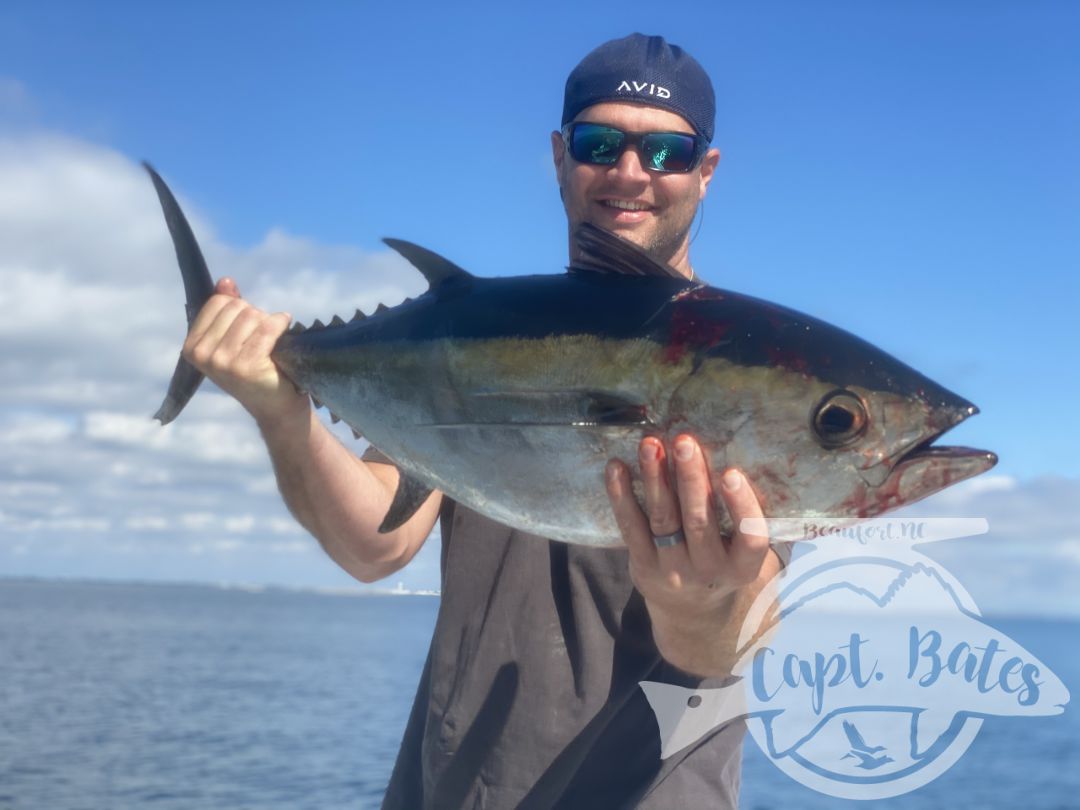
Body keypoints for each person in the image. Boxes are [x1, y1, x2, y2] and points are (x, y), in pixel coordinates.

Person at [182, 33, 784, 809]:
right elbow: (377, 543)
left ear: (706, 172)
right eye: (602, 143)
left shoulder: (747, 369)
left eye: (666, 152)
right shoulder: (473, 341)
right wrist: (280, 409)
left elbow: (731, 638)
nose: (632, 172)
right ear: (561, 157)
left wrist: (698, 600)